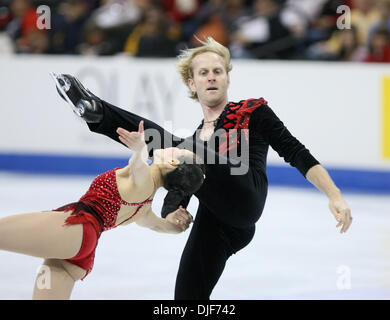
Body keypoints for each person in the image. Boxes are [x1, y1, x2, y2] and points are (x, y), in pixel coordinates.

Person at [52, 37, 353, 300]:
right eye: (204, 73)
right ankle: (92, 113)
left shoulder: (253, 111)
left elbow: (297, 153)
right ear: (192, 84)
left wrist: (334, 195)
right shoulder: (194, 141)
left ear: (227, 79)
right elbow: (181, 182)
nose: (212, 77)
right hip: (219, 221)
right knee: (186, 299)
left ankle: (98, 112)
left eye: (218, 72)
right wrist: (172, 209)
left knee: (171, 143)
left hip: (246, 196)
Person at [0, 120, 205, 300]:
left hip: (74, 229)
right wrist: (176, 227)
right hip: (80, 250)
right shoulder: (144, 206)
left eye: (178, 151)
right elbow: (157, 225)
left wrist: (139, 150)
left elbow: (138, 169)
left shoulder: (143, 183)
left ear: (172, 162)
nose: (172, 147)